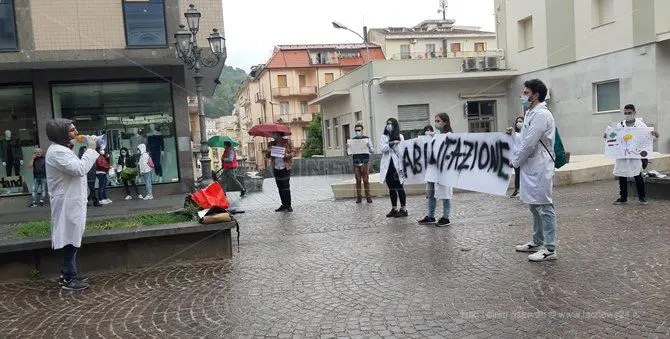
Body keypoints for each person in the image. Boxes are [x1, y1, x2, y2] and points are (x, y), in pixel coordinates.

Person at [45, 119, 99, 290]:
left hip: (71, 199)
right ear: (60, 133)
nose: (76, 132)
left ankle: (67, 272)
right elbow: (79, 169)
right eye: (72, 130)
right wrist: (90, 149)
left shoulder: (61, 150)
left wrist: (77, 145)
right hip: (67, 201)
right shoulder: (57, 152)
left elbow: (74, 166)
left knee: (72, 236)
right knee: (70, 239)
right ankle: (69, 277)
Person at [511, 79, 558, 262]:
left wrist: (515, 162)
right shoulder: (530, 112)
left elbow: (530, 143)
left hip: (540, 166)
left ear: (535, 95)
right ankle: (538, 241)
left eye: (526, 92)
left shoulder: (542, 115)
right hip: (530, 166)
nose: (523, 96)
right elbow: (524, 139)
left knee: (545, 206)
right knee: (533, 205)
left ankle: (550, 248)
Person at [604, 104, 659, 205]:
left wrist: (654, 136)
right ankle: (623, 197)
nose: (627, 115)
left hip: (635, 154)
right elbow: (615, 137)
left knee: (638, 175)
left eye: (629, 113)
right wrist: (607, 136)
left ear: (634, 112)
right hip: (622, 155)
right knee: (622, 176)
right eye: (625, 113)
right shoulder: (620, 125)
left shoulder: (641, 126)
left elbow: (647, 139)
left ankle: (642, 197)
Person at [417, 113, 454, 226]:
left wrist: (435, 137)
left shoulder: (449, 135)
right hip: (432, 169)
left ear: (445, 122)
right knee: (431, 193)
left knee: (445, 194)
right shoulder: (436, 135)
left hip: (444, 170)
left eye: (438, 121)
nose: (436, 123)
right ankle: (431, 216)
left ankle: (446, 217)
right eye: (435, 121)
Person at [379, 118, 408, 218]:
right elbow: (382, 149)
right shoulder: (384, 137)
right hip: (388, 166)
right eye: (387, 124)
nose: (389, 125)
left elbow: (401, 152)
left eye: (391, 124)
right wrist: (391, 143)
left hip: (397, 166)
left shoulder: (400, 136)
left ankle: (404, 209)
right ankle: (394, 208)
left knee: (400, 187)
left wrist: (397, 144)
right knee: (391, 188)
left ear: (395, 125)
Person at [266, 132, 293, 212]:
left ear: (279, 135)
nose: (273, 136)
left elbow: (294, 152)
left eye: (275, 135)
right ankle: (283, 204)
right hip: (276, 167)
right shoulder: (271, 144)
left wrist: (287, 155)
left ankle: (288, 205)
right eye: (273, 135)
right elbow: (267, 156)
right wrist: (269, 151)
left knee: (286, 187)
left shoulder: (287, 142)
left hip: (285, 167)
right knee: (280, 187)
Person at [347, 122, 374, 203]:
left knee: (365, 179)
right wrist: (348, 148)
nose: (357, 131)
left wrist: (369, 146)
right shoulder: (353, 140)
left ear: (362, 130)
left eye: (359, 130)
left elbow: (372, 151)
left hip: (365, 161)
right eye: (356, 130)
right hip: (356, 162)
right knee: (358, 179)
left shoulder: (367, 139)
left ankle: (368, 196)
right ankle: (359, 197)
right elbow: (349, 153)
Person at [508, 116, 525, 198]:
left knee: (523, 174)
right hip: (517, 157)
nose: (519, 123)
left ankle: (522, 190)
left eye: (521, 121)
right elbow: (514, 139)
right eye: (517, 121)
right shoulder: (516, 134)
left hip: (524, 157)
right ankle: (517, 190)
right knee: (517, 173)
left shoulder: (526, 133)